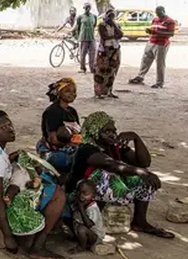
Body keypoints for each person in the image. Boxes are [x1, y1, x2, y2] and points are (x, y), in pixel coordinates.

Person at [0, 110, 66, 259]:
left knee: (32, 175)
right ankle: (37, 246)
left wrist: (12, 157)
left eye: (9, 124)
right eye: (3, 127)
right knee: (58, 194)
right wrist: (7, 237)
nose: (10, 129)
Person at [68, 111, 173, 239]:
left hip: (102, 193)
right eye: (106, 131)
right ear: (94, 131)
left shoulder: (113, 146)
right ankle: (90, 223)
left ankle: (140, 222)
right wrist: (140, 171)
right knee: (105, 175)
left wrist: (135, 138)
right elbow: (110, 165)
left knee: (144, 178)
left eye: (114, 130)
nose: (113, 134)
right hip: (79, 195)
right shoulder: (86, 149)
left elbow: (144, 162)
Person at [36, 78, 81, 174]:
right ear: (58, 93)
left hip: (69, 146)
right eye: (67, 91)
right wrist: (72, 142)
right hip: (54, 150)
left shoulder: (72, 111)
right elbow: (54, 140)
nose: (72, 94)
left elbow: (79, 133)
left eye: (74, 91)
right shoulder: (52, 112)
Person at [129, 6, 176, 89]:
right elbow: (153, 30)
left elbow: (171, 34)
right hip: (151, 41)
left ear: (164, 11)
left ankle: (159, 82)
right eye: (157, 13)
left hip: (162, 44)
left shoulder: (170, 21)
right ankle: (140, 76)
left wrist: (156, 32)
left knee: (160, 63)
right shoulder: (155, 19)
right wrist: (150, 32)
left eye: (160, 13)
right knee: (145, 60)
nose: (158, 15)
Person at [69, 179, 105, 254]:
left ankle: (81, 247)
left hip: (95, 236)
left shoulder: (93, 208)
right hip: (81, 227)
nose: (81, 196)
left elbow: (89, 224)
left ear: (93, 195)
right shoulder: (79, 202)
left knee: (81, 229)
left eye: (85, 193)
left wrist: (81, 209)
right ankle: (80, 238)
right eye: (78, 192)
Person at [95, 9, 123, 99]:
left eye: (112, 16)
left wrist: (114, 25)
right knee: (101, 71)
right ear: (106, 16)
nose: (111, 18)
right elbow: (104, 37)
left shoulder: (116, 25)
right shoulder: (102, 25)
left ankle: (109, 91)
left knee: (112, 71)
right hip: (104, 50)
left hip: (115, 50)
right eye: (109, 16)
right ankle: (98, 93)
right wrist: (114, 36)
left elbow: (121, 34)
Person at [73, 3, 97, 74]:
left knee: (92, 54)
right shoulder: (80, 17)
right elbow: (78, 28)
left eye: (89, 7)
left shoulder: (94, 16)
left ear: (90, 8)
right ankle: (82, 68)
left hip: (92, 38)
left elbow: (94, 26)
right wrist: (78, 38)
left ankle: (92, 68)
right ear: (84, 8)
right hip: (83, 38)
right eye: (86, 8)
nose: (87, 9)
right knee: (83, 54)